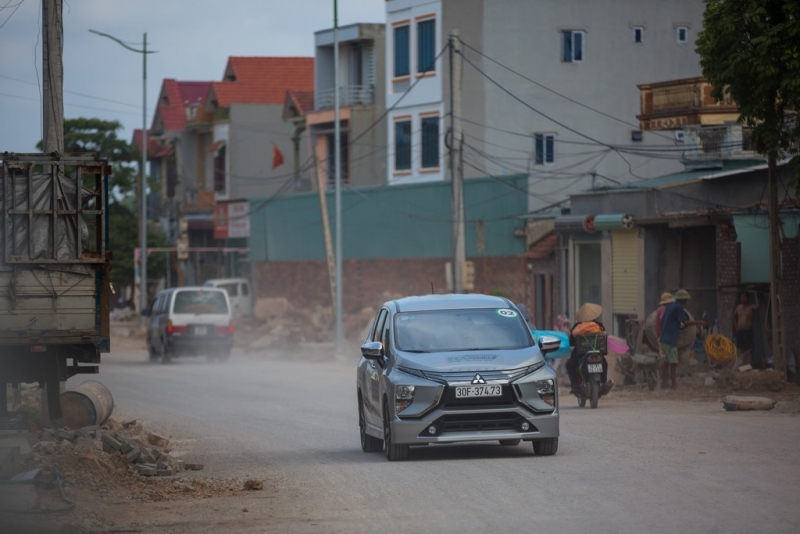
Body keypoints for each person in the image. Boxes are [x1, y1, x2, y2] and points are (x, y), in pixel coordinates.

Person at [659, 289, 706, 389]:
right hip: (670, 339)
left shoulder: (670, 306)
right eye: (686, 299)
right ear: (682, 299)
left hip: (664, 338)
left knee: (667, 361)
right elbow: (685, 322)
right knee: (673, 362)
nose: (687, 301)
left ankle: (664, 382)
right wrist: (698, 322)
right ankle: (674, 385)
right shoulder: (678, 307)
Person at [566, 303, 612, 394]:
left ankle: (575, 385)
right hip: (597, 351)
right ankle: (603, 382)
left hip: (581, 354)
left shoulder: (577, 327)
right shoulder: (599, 325)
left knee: (569, 365)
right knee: (604, 363)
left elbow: (571, 342)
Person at [733, 291, 760, 367]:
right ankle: (742, 366)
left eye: (744, 297)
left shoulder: (751, 306)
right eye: (742, 297)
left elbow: (758, 306)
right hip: (740, 332)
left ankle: (748, 366)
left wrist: (755, 294)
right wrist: (736, 326)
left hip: (748, 331)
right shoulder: (738, 307)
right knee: (741, 349)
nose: (743, 299)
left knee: (749, 350)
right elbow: (734, 316)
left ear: (747, 298)